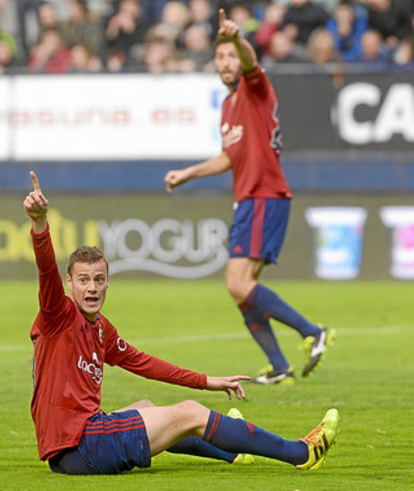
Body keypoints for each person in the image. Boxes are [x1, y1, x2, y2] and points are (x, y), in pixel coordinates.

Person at [23, 171, 340, 475]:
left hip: (72, 447)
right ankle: (301, 453)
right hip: (81, 445)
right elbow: (46, 270)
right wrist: (40, 224)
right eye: (83, 280)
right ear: (69, 283)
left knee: (147, 406)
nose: (92, 288)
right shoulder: (58, 314)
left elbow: (146, 364)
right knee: (190, 412)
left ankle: (233, 451)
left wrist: (206, 381)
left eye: (99, 279)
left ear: (108, 282)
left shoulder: (101, 328)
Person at [164, 9, 335, 385]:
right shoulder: (228, 106)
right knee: (243, 291)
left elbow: (252, 62)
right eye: (221, 56)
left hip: (263, 195)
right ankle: (279, 367)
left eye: (232, 56)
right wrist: (189, 173)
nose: (227, 62)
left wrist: (237, 39)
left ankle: (312, 332)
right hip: (251, 199)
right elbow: (229, 156)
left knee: (237, 284)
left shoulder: (255, 90)